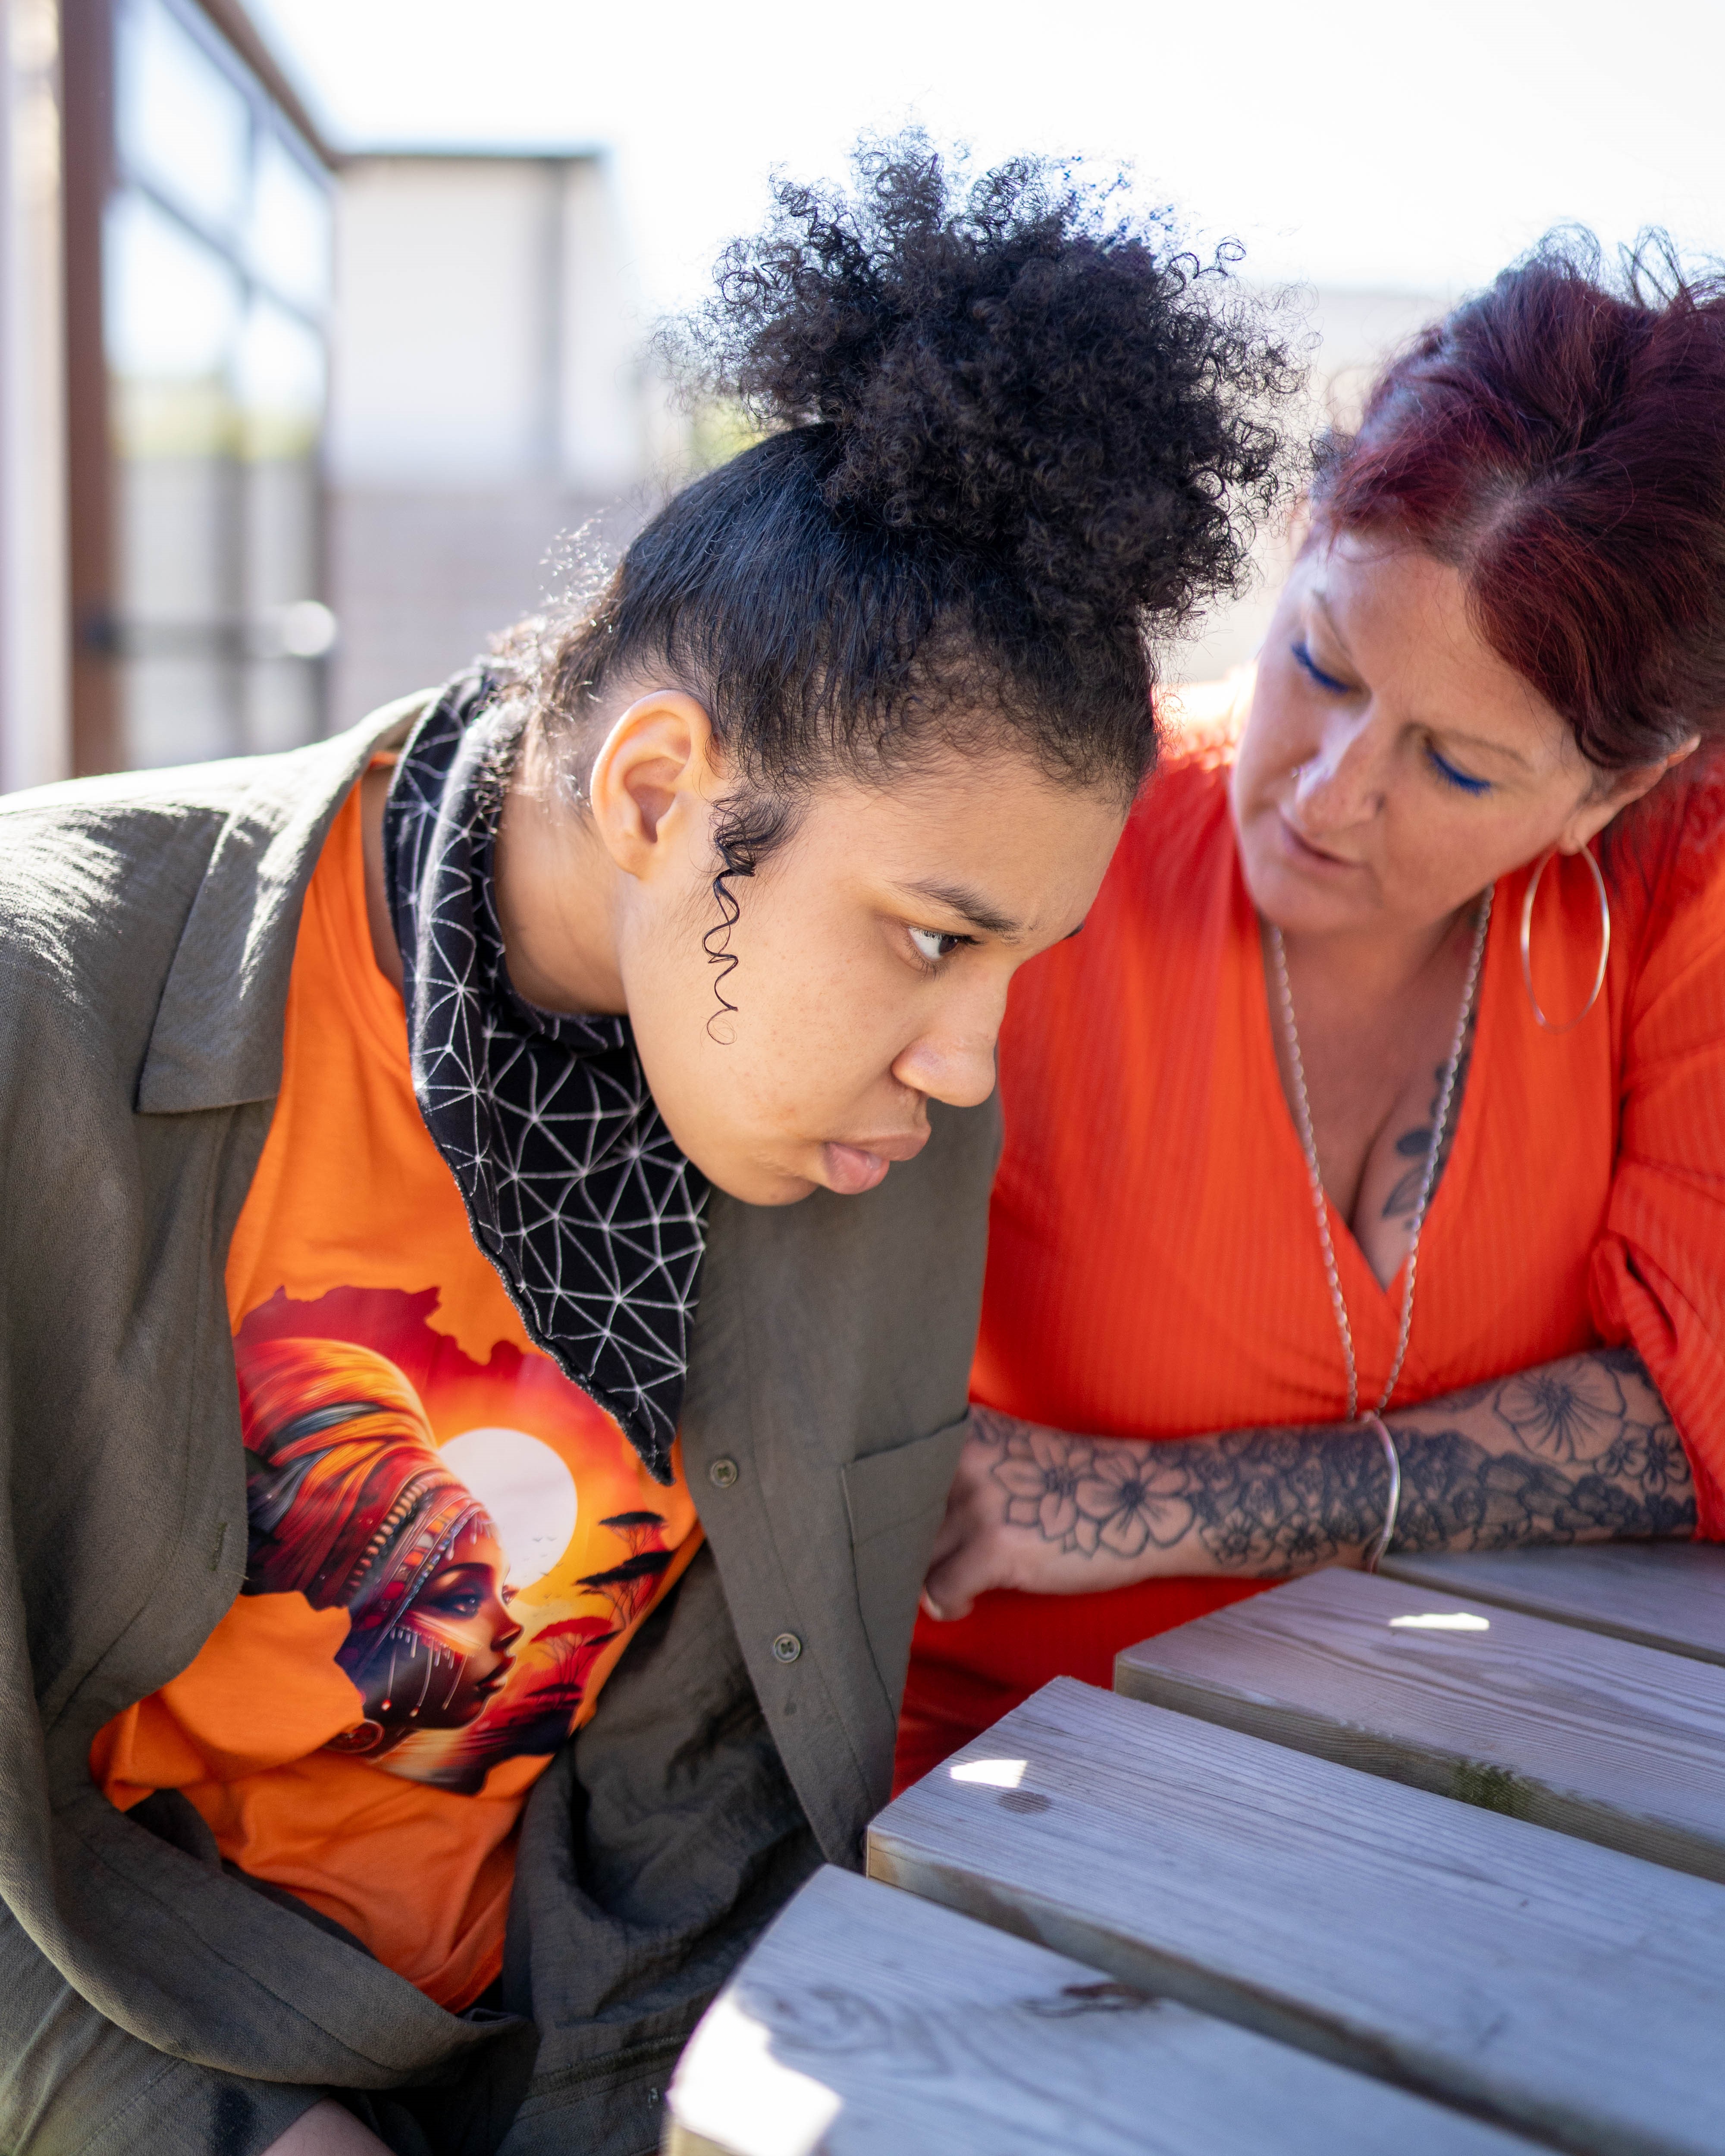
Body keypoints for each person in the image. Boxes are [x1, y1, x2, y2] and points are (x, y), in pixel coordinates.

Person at [0, 141, 1294, 2156]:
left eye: (1019, 963)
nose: (969, 1065)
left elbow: (706, 1780)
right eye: (937, 937)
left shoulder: (862, 1113)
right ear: (664, 786)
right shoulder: (41, 1004)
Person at [901, 233, 1725, 1788]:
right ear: (1299, 537)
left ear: (1609, 791)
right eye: (1323, 665)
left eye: (1460, 766)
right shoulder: (1062, 830)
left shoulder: (1679, 881)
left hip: (1503, 1801)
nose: (1332, 795)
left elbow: (1709, 1412)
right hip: (987, 1793)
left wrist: (1138, 1507)